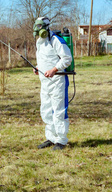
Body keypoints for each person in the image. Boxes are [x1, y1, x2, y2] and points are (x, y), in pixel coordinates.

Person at [33, 17, 73, 151]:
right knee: (46, 110)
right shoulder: (39, 42)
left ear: (46, 26)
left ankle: (61, 140)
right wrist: (37, 67)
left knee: (58, 110)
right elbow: (45, 58)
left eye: (40, 27)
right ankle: (51, 137)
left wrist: (54, 70)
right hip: (44, 82)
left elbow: (67, 59)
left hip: (57, 81)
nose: (38, 30)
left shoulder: (55, 40)